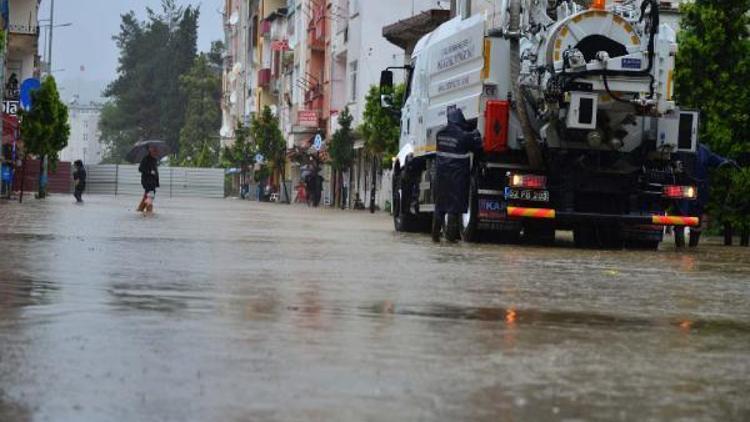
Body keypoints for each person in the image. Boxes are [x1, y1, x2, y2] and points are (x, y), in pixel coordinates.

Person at [433, 108, 483, 242]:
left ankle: (435, 237)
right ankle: (450, 238)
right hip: (457, 177)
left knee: (440, 206)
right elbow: (477, 144)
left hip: (441, 176)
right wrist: (476, 133)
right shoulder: (464, 136)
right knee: (453, 208)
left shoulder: (439, 134)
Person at [675, 143, 732, 247]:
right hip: (684, 190)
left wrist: (727, 161)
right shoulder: (679, 149)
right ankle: (680, 248)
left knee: (696, 222)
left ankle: (693, 248)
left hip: (700, 193)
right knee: (681, 218)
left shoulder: (704, 151)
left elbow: (716, 160)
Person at [137, 146, 160, 213]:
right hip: (147, 181)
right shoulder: (145, 159)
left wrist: (156, 180)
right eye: (154, 151)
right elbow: (140, 169)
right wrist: (149, 171)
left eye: (156, 151)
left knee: (148, 195)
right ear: (150, 151)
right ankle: (149, 211)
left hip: (153, 181)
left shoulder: (154, 160)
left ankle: (140, 209)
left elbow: (155, 171)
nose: (155, 152)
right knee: (150, 195)